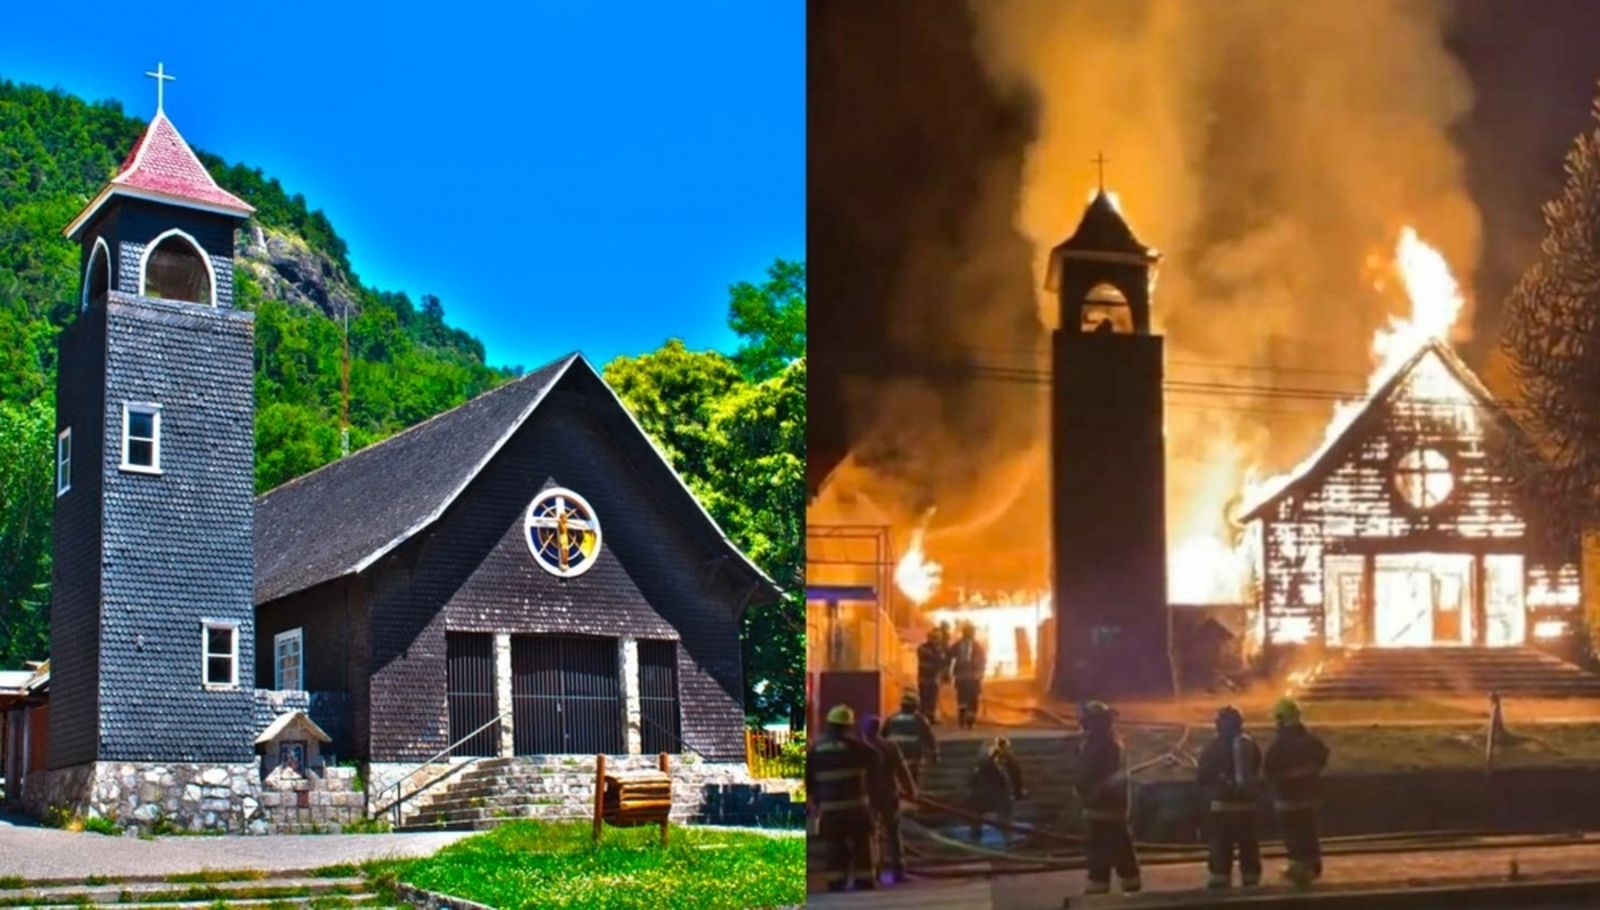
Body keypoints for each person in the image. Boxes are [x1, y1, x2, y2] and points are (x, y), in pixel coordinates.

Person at [807, 704, 882, 892]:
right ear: (848, 726)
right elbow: (876, 758)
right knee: (861, 845)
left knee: (834, 846)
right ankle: (864, 881)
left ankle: (836, 882)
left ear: (829, 724)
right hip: (856, 807)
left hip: (830, 809)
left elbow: (808, 779)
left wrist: (816, 800)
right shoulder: (856, 747)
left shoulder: (816, 750)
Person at [1077, 701, 1141, 895]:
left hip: (1104, 806)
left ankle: (1102, 882)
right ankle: (1126, 881)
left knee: (1105, 846)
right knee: (1115, 844)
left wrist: (1090, 792)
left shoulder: (1104, 745)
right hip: (1105, 806)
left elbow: (1097, 775)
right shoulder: (1105, 742)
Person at [1264, 697, 1329, 887]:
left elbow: (1269, 769)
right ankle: (1314, 865)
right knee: (1309, 831)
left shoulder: (1280, 744)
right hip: (1310, 797)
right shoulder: (1310, 740)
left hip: (1288, 799)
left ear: (1281, 719)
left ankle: (1299, 868)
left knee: (1293, 834)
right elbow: (1322, 757)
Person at [1197, 705, 1263, 888]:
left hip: (1221, 807)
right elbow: (1257, 766)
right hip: (1247, 806)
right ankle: (1251, 875)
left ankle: (1220, 875)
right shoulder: (1249, 743)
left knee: (1220, 842)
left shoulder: (1212, 747)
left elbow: (1203, 776)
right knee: (1248, 844)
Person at [864, 715, 917, 884]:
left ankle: (876, 872)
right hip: (889, 795)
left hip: (869, 797)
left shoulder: (861, 748)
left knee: (873, 835)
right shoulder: (890, 746)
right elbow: (902, 770)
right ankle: (898, 872)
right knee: (893, 834)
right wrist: (910, 790)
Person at [968, 737, 1026, 843]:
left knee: (977, 814)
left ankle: (975, 838)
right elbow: (1009, 778)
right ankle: (1008, 837)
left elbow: (972, 780)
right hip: (995, 796)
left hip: (982, 796)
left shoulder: (981, 762)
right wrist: (1016, 792)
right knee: (1005, 811)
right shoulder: (1001, 761)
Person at [883, 692, 940, 783]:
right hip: (913, 755)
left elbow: (883, 736)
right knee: (912, 778)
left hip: (894, 754)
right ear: (915, 706)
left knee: (896, 779)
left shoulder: (892, 718)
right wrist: (934, 753)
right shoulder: (920, 719)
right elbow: (928, 736)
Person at [950, 623, 987, 730]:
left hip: (973, 677)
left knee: (972, 698)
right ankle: (962, 717)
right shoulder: (958, 645)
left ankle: (970, 719)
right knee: (962, 698)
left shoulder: (977, 646)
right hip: (962, 677)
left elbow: (982, 660)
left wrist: (980, 672)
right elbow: (948, 655)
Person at [916, 630, 948, 723]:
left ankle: (931, 716)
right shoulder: (923, 648)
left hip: (934, 678)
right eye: (934, 638)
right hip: (924, 678)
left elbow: (942, 662)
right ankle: (923, 718)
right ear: (929, 638)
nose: (936, 640)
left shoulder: (939, 649)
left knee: (932, 698)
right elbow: (936, 659)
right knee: (924, 697)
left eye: (937, 638)